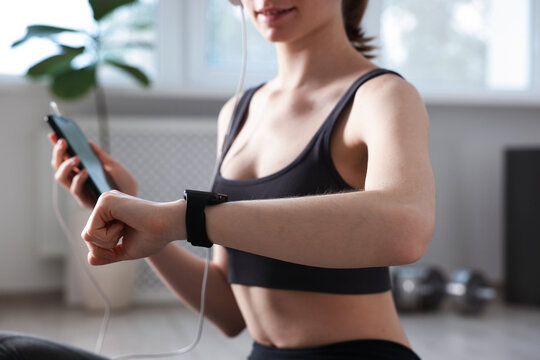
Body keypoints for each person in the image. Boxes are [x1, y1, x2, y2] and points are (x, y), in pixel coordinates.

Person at [0, 0, 435, 359]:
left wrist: (184, 219)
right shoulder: (238, 112)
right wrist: (142, 222)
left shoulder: (381, 97)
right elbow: (229, 310)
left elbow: (405, 227)